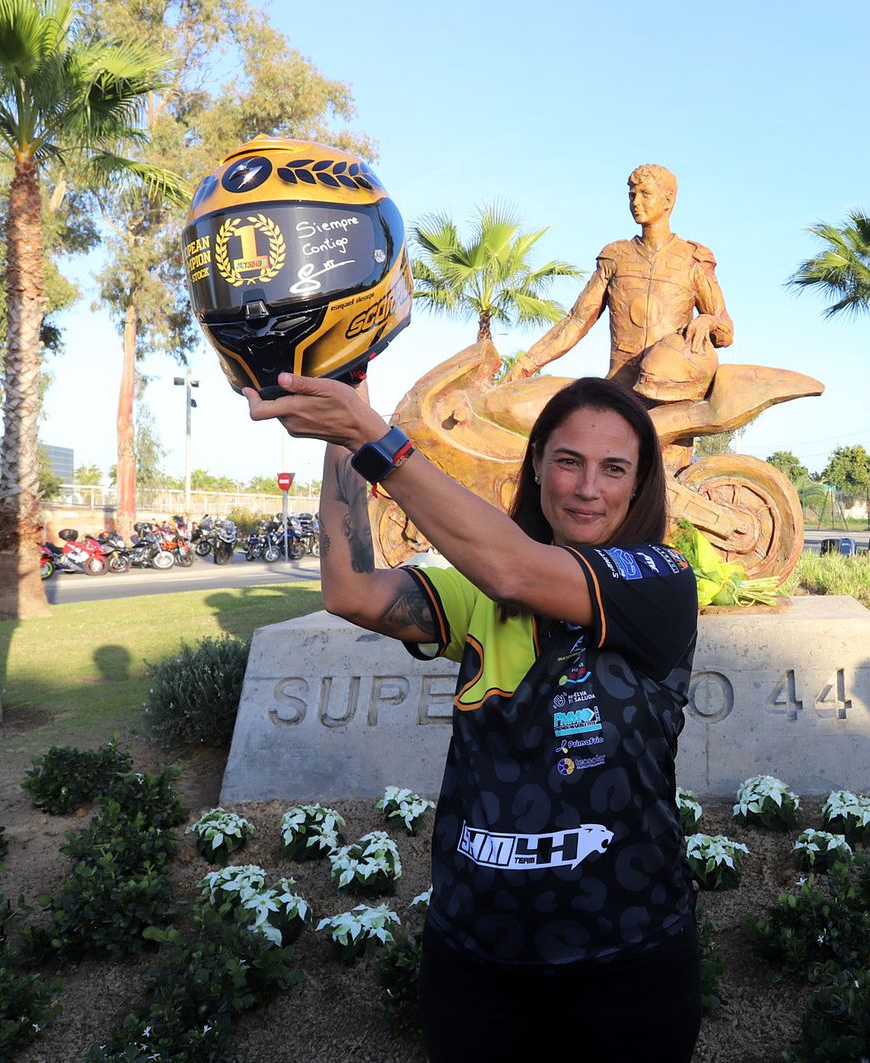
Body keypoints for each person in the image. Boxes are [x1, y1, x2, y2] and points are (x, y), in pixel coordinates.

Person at [246, 372, 702, 1062]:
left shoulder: (658, 579)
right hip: (473, 963)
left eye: (614, 469)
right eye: (569, 460)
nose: (587, 487)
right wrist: (345, 426)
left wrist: (376, 435)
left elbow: (513, 569)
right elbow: (350, 591)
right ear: (539, 467)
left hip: (626, 960)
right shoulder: (480, 596)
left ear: (638, 488)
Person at [499, 163, 734, 405]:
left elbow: (726, 332)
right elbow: (577, 321)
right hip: (619, 396)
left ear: (668, 200)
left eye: (645, 194)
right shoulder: (615, 257)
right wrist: (527, 363)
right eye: (632, 195)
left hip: (671, 403)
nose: (636, 202)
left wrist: (708, 320)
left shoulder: (692, 259)